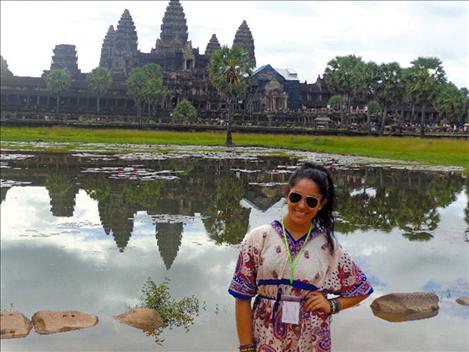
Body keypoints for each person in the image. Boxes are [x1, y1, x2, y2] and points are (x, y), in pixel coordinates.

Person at [228, 163, 373, 352]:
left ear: (321, 204)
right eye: (296, 197)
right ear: (287, 194)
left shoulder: (328, 247)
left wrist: (332, 305)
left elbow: (361, 289)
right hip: (265, 335)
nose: (302, 205)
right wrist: (246, 347)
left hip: (310, 339)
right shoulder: (259, 238)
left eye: (311, 201)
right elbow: (242, 297)